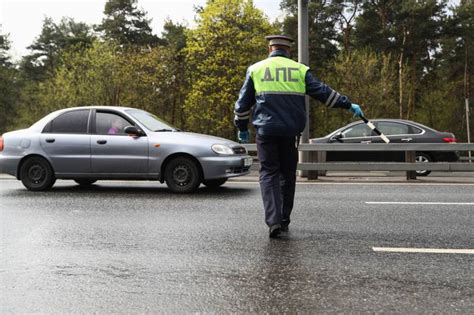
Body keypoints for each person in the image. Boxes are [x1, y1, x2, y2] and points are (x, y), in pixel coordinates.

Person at [234, 35, 363, 238]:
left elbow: (242, 105)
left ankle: (273, 221)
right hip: (290, 132)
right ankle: (284, 220)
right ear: (289, 51)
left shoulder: (256, 69)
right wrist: (347, 104)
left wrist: (242, 127)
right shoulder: (300, 70)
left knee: (268, 174)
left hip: (266, 132)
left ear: (270, 49)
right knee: (287, 174)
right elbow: (324, 93)